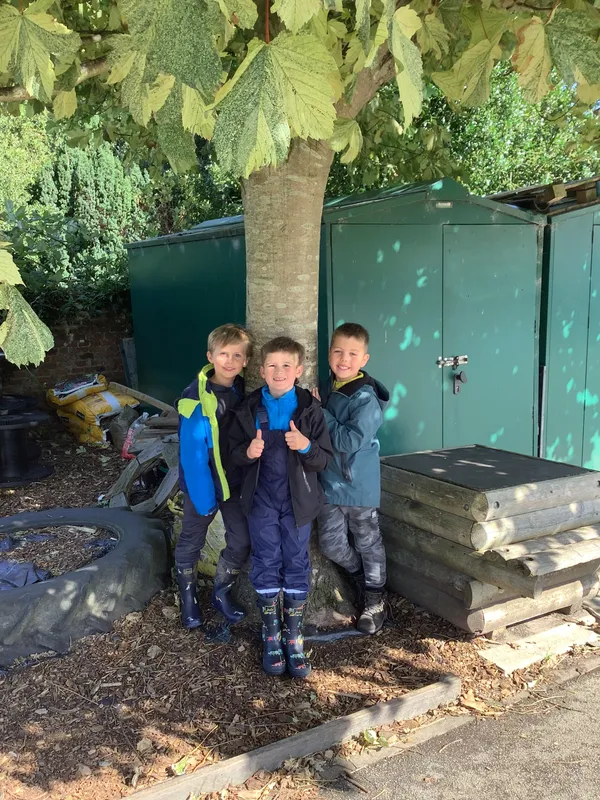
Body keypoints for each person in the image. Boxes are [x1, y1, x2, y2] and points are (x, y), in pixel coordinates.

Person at [230, 337, 332, 679]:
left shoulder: (310, 410)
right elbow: (231, 455)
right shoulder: (246, 409)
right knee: (266, 558)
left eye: (286, 365)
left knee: (296, 560)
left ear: (299, 370)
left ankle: (294, 635)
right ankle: (271, 633)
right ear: (261, 371)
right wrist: (248, 453)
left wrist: (305, 446)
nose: (279, 372)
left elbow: (323, 460)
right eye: (272, 365)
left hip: (298, 502)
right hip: (261, 500)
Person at [175, 323, 252, 630]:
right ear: (211, 356)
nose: (229, 361)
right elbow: (192, 455)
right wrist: (204, 497)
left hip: (233, 483)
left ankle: (221, 592)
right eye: (223, 354)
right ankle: (189, 597)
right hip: (202, 485)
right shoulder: (195, 396)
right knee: (192, 539)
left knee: (241, 539)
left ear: (245, 360)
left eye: (237, 355)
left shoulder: (243, 389)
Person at [315, 323, 389, 634]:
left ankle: (376, 599)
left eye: (352, 354)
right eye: (337, 352)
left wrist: (319, 411)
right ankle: (360, 578)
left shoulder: (365, 398)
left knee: (368, 542)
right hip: (329, 486)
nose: (344, 359)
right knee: (331, 545)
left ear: (364, 359)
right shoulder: (329, 386)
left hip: (358, 487)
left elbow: (347, 441)